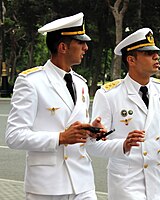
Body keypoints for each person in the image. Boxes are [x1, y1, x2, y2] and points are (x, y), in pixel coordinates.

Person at [5, 12, 126, 200]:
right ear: (62, 47)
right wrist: (60, 138)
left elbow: (76, 132)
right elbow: (14, 136)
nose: (86, 47)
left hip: (82, 181)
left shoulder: (81, 83)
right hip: (47, 186)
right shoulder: (31, 82)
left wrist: (91, 132)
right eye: (80, 42)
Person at [91, 27, 160, 200]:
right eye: (148, 53)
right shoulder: (108, 95)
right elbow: (94, 145)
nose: (156, 56)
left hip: (157, 179)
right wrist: (124, 144)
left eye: (156, 52)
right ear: (131, 59)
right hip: (126, 183)